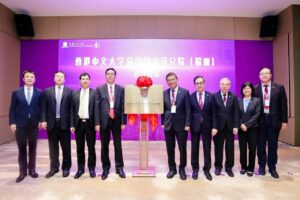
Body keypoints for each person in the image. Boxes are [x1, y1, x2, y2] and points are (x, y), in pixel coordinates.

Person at [9, 70, 43, 183]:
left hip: (34, 124)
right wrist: (12, 122)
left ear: (35, 79)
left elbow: (41, 109)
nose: (29, 78)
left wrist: (41, 121)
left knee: (33, 148)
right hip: (20, 124)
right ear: (23, 79)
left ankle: (32, 170)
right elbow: (12, 108)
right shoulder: (16, 92)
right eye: (27, 77)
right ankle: (22, 172)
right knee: (22, 148)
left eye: (31, 77)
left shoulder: (39, 92)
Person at [254, 67, 288, 178]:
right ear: (259, 76)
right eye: (262, 74)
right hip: (260, 121)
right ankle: (262, 166)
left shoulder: (279, 88)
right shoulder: (255, 89)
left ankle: (272, 167)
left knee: (273, 145)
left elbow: (283, 104)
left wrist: (284, 120)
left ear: (270, 75)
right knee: (261, 145)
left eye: (266, 73)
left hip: (274, 120)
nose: (264, 75)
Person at [95, 68, 127, 180]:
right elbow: (97, 107)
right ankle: (105, 168)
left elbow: (123, 106)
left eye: (112, 74)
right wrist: (97, 122)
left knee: (118, 145)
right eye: (108, 74)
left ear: (115, 76)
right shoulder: (99, 89)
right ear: (105, 76)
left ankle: (119, 168)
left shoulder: (121, 89)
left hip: (117, 120)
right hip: (104, 120)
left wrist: (124, 121)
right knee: (104, 146)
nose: (110, 76)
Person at [41, 71, 73, 178]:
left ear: (64, 79)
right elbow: (43, 107)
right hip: (51, 124)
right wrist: (43, 120)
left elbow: (72, 109)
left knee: (66, 148)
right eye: (57, 76)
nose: (59, 78)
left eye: (61, 77)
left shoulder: (70, 91)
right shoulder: (47, 91)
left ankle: (66, 168)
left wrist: (72, 124)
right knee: (53, 148)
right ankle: (54, 168)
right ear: (54, 78)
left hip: (65, 124)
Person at [161, 72, 191, 180]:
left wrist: (188, 124)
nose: (171, 81)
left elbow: (188, 109)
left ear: (177, 79)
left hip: (182, 125)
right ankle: (172, 169)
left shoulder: (185, 92)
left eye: (173, 79)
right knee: (170, 148)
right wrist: (162, 122)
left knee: (182, 148)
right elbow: (162, 110)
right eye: (169, 80)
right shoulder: (164, 93)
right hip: (168, 125)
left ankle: (182, 169)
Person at [70, 73, 96, 179]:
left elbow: (97, 110)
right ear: (80, 81)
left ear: (90, 81)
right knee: (79, 148)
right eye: (83, 79)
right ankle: (80, 169)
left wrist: (97, 124)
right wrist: (71, 124)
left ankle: (91, 168)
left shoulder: (95, 93)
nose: (85, 81)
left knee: (91, 147)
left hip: (90, 124)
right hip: (78, 124)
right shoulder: (74, 94)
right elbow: (71, 110)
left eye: (87, 79)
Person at [212, 77, 239, 177]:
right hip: (218, 128)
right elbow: (213, 113)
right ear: (219, 85)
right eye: (223, 84)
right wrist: (214, 127)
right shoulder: (214, 96)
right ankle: (218, 167)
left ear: (230, 86)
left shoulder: (234, 96)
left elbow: (236, 112)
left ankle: (229, 167)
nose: (224, 86)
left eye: (227, 84)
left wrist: (236, 126)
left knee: (230, 148)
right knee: (218, 148)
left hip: (230, 127)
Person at [190, 75, 213, 181]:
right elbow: (188, 112)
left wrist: (214, 127)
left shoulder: (210, 96)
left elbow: (214, 113)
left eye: (201, 83)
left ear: (204, 83)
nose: (199, 85)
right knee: (194, 148)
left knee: (207, 148)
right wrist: (188, 125)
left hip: (207, 126)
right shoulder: (190, 97)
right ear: (194, 85)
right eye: (197, 83)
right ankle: (195, 169)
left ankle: (207, 169)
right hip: (194, 126)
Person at [238, 82, 261, 177]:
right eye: (244, 88)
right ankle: (243, 167)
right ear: (242, 90)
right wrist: (241, 124)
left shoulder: (257, 100)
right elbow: (236, 115)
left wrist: (247, 125)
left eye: (248, 88)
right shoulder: (238, 100)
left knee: (252, 149)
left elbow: (257, 115)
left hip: (253, 129)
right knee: (242, 149)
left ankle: (251, 168)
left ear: (252, 89)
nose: (246, 90)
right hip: (241, 129)